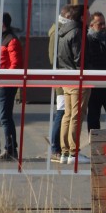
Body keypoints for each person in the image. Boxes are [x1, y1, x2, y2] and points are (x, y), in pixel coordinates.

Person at [57, 4, 89, 164]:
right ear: (82, 17)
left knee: (68, 115)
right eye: (88, 15)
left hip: (66, 77)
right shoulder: (78, 32)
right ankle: (74, 153)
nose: (89, 18)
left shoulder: (63, 32)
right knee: (76, 115)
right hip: (77, 79)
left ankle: (65, 151)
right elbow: (80, 58)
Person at [0, 12, 23, 160]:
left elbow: (15, 64)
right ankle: (10, 148)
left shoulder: (11, 40)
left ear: (2, 24)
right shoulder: (1, 40)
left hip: (6, 84)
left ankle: (10, 149)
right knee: (3, 116)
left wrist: (4, 80)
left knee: (5, 117)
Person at [47, 17, 65, 159]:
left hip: (64, 79)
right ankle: (55, 148)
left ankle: (58, 147)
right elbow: (54, 58)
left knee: (63, 113)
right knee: (61, 112)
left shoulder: (58, 31)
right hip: (63, 80)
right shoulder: (57, 32)